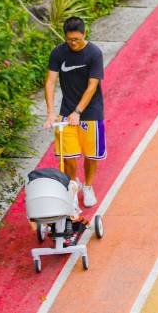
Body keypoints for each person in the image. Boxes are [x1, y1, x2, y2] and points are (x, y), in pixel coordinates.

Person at [43, 16, 106, 208]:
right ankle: (72, 186)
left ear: (84, 34)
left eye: (77, 39)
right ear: (65, 36)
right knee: (68, 157)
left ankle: (87, 186)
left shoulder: (94, 53)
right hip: (66, 111)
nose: (73, 43)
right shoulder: (58, 53)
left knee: (91, 155)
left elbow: (92, 86)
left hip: (91, 112)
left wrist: (78, 111)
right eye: (70, 39)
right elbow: (50, 82)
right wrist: (51, 112)